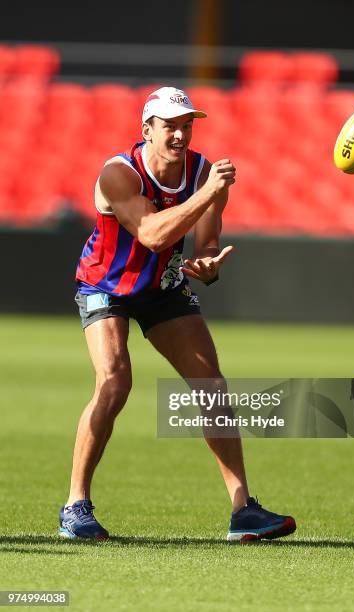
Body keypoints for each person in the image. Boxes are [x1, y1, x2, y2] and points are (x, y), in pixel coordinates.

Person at [59, 87, 296, 542]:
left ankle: (243, 510)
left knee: (212, 386)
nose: (180, 133)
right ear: (146, 129)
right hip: (106, 285)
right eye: (169, 125)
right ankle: (76, 506)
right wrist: (206, 192)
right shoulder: (118, 173)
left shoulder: (202, 172)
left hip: (163, 286)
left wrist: (207, 262)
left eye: (186, 124)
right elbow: (151, 233)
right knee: (114, 381)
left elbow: (207, 236)